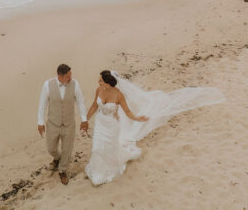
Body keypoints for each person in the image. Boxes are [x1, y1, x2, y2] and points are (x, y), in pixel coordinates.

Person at [84, 70, 225, 186]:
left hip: (112, 126)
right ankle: (96, 169)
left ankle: (109, 169)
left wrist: (138, 119)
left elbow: (127, 112)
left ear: (108, 83)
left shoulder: (119, 95)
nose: (98, 82)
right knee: (97, 146)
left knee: (109, 146)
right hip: (100, 123)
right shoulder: (98, 90)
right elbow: (94, 106)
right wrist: (85, 119)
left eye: (100, 80)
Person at [37, 64, 88, 185]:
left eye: (71, 75)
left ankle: (62, 170)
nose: (71, 78)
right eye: (68, 76)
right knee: (51, 148)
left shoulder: (75, 84)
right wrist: (40, 122)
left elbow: (80, 102)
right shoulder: (47, 85)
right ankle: (57, 158)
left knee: (67, 149)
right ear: (60, 76)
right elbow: (42, 104)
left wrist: (84, 119)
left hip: (69, 124)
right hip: (53, 124)